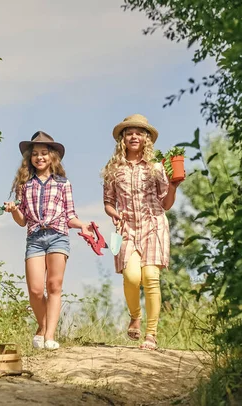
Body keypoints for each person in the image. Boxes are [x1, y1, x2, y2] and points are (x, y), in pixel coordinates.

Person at [4, 131, 93, 350]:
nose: (40, 157)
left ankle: (50, 336)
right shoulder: (24, 185)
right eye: (35, 154)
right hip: (35, 237)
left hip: (58, 236)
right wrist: (13, 210)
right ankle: (43, 327)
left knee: (54, 285)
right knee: (35, 290)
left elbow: (69, 215)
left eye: (44, 153)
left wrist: (82, 225)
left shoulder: (63, 183)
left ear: (52, 157)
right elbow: (22, 220)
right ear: (30, 158)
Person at [101, 114, 185, 350]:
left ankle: (151, 334)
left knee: (150, 278)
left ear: (146, 138)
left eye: (139, 132)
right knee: (131, 277)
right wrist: (114, 214)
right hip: (126, 228)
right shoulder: (113, 169)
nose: (134, 136)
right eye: (129, 133)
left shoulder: (157, 167)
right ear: (123, 139)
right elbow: (108, 201)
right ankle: (135, 316)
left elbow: (166, 204)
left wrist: (174, 187)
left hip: (153, 225)